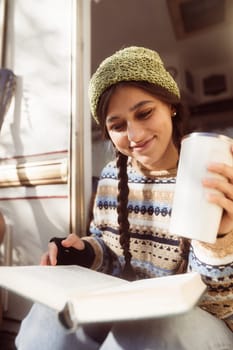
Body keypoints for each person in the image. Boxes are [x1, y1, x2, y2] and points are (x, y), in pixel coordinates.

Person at [15, 46, 233, 350]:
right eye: (117, 125)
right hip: (131, 308)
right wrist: (83, 252)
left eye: (144, 113)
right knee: (47, 318)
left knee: (144, 334)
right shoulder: (111, 177)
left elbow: (219, 305)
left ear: (170, 106)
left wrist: (219, 241)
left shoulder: (215, 176)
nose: (134, 134)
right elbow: (110, 250)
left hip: (204, 319)